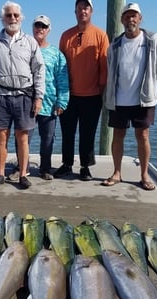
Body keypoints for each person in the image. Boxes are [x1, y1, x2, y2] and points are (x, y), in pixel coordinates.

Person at [102, 3, 157, 190]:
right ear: (121, 20)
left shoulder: (153, 40)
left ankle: (144, 175)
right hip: (119, 99)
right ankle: (117, 173)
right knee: (118, 135)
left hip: (143, 99)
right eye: (127, 16)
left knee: (143, 135)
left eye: (134, 16)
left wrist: (149, 89)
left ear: (140, 18)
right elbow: (111, 69)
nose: (130, 19)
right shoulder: (114, 45)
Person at [0, 1, 45, 189]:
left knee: (22, 136)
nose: (12, 18)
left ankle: (23, 174)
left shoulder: (30, 42)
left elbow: (39, 70)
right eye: (9, 15)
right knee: (2, 135)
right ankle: (0, 174)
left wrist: (39, 97)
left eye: (16, 15)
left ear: (21, 18)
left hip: (24, 96)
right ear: (2, 18)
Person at [53, 0, 109, 181]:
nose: (82, 11)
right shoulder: (66, 35)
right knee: (67, 132)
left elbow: (104, 65)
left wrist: (101, 88)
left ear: (91, 11)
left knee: (88, 133)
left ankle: (85, 166)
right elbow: (60, 64)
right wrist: (60, 91)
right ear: (75, 11)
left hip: (92, 96)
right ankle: (67, 163)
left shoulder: (100, 35)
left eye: (86, 7)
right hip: (69, 95)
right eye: (79, 8)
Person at [9, 15, 69, 181]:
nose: (40, 29)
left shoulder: (57, 54)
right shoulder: (23, 48)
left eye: (43, 26)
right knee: (22, 137)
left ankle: (45, 168)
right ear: (32, 27)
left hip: (49, 104)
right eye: (37, 25)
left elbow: (62, 80)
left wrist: (62, 102)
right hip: (25, 101)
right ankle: (22, 167)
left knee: (47, 139)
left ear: (48, 30)